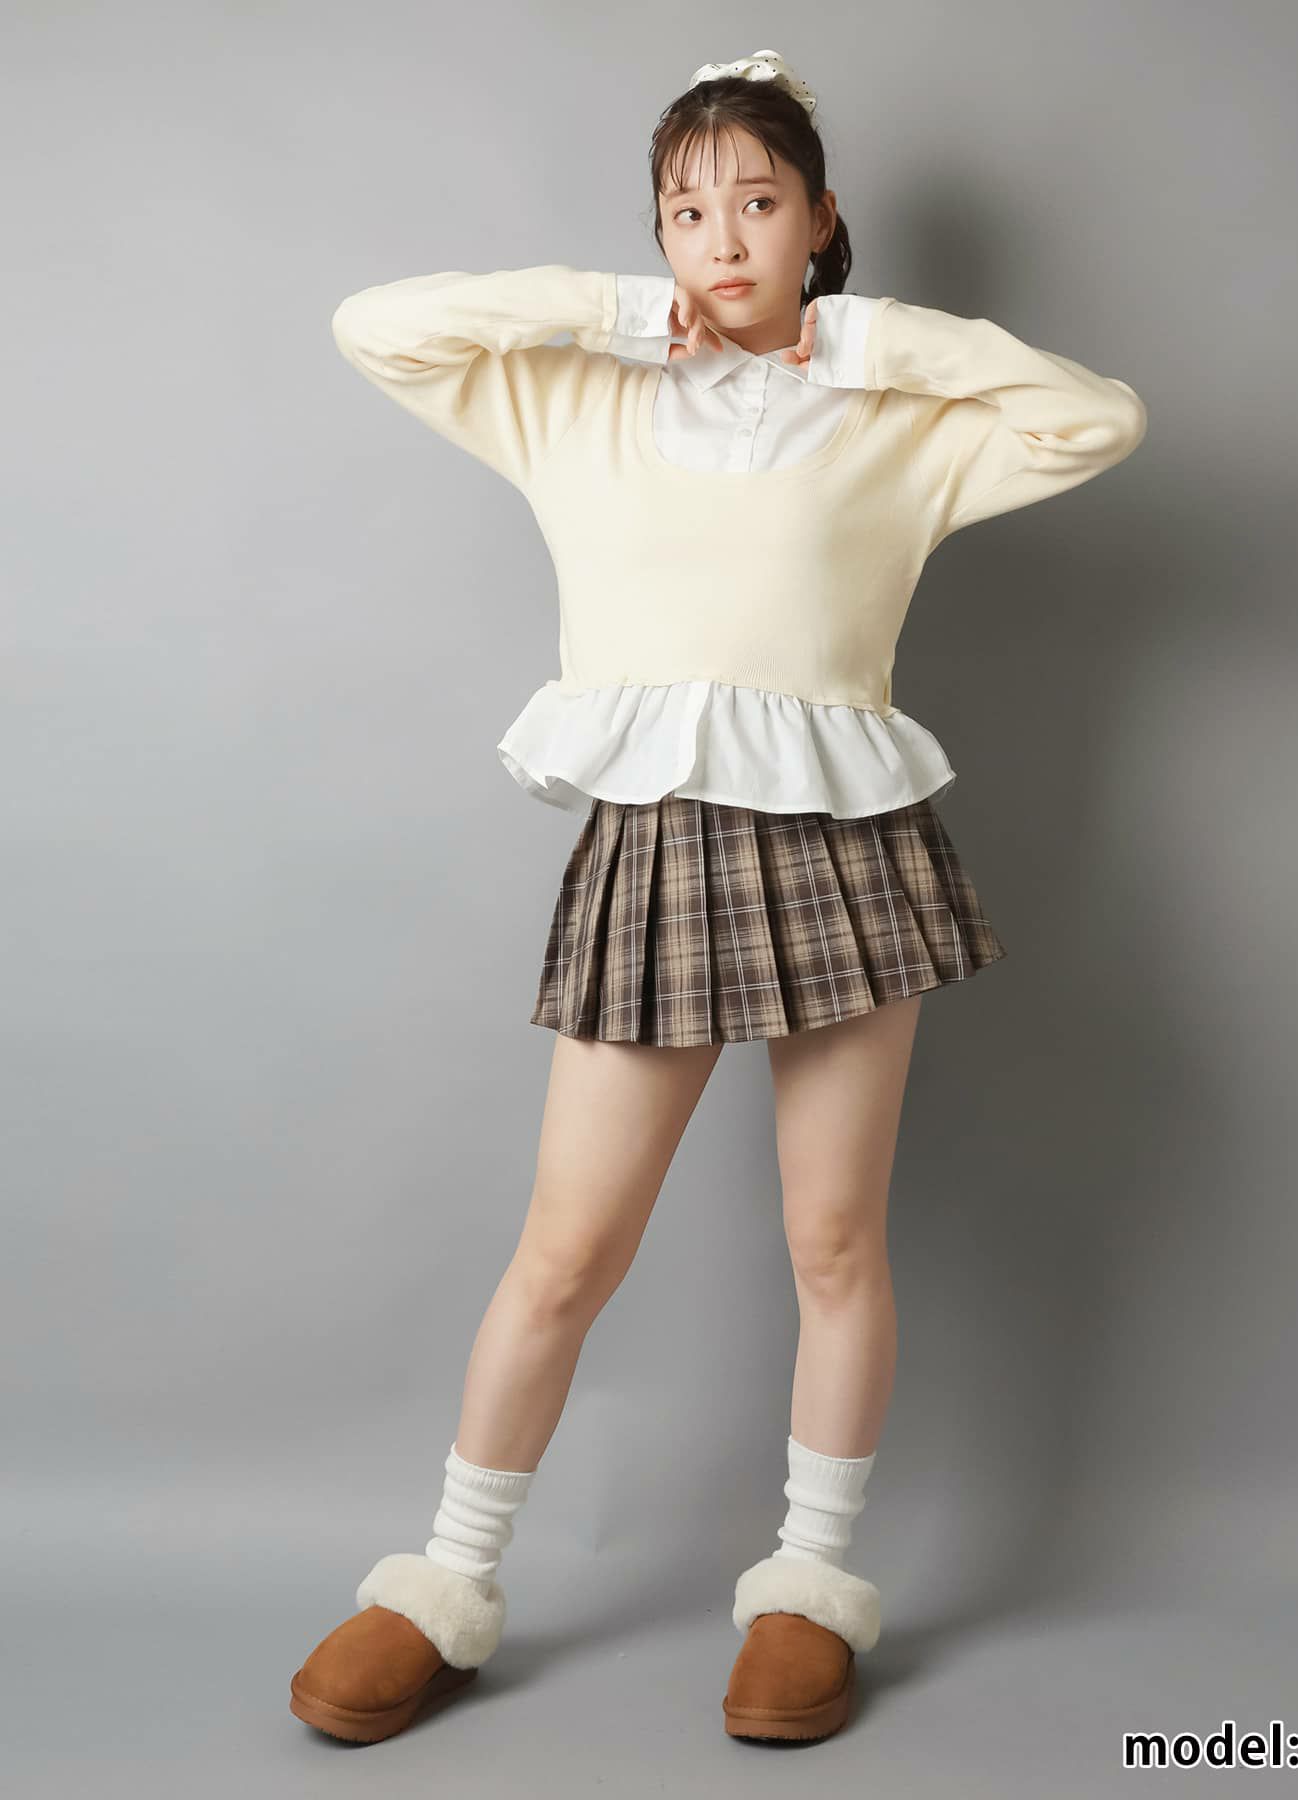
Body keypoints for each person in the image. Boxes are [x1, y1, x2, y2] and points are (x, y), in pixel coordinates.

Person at [289, 47, 1146, 1748]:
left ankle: (808, 1588)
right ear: (659, 238)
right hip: (658, 851)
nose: (724, 238)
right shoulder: (575, 397)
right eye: (688, 212)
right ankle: (445, 1584)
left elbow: (1095, 419)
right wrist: (615, 313)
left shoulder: (894, 420)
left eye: (760, 202)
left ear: (821, 220)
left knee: (835, 1239)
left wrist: (869, 340)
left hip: (845, 848)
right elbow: (376, 327)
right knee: (565, 1252)